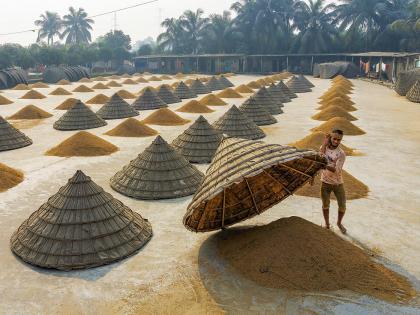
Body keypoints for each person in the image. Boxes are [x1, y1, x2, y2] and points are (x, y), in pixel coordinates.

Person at [319, 129, 347, 234]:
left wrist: (324, 165)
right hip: (325, 182)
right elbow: (320, 157)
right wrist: (324, 144)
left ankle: (339, 223)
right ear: (330, 138)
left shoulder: (341, 154)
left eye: (339, 140)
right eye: (334, 138)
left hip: (337, 183)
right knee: (325, 204)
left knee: (342, 205)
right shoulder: (323, 148)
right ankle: (327, 224)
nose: (336, 141)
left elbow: (336, 170)